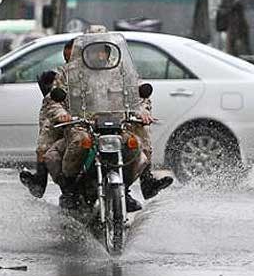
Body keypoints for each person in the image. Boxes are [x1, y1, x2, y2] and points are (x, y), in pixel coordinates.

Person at [43, 25, 173, 211]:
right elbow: (52, 102)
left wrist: (143, 111)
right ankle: (70, 190)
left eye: (103, 50)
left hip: (116, 126)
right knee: (79, 142)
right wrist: (62, 114)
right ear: (85, 49)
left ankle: (128, 187)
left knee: (133, 144)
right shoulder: (69, 72)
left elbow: (140, 95)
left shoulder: (122, 71)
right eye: (94, 49)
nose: (99, 55)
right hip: (82, 125)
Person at [19, 39, 74, 198]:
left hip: (102, 119)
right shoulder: (61, 75)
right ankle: (41, 180)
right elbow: (52, 102)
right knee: (48, 130)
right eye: (67, 58)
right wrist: (61, 114)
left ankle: (135, 184)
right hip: (71, 119)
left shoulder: (111, 71)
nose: (71, 62)